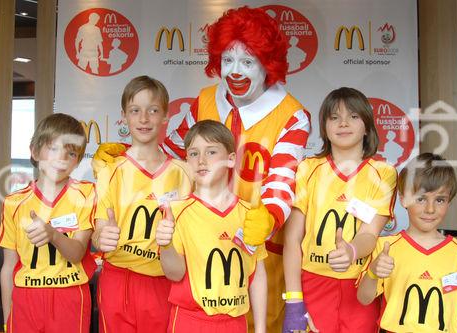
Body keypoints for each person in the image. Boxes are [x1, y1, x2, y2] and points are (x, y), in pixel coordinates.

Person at [94, 7, 310, 330]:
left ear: (268, 63)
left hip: (256, 253)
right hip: (196, 248)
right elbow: (172, 153)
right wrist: (126, 154)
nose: (235, 71)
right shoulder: (207, 100)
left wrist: (267, 217)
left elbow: (282, 180)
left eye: (247, 62)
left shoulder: (291, 115)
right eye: (227, 60)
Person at [283, 87, 397, 333]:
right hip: (312, 283)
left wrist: (352, 250)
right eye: (334, 117)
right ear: (324, 127)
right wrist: (293, 299)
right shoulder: (307, 169)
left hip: (360, 285)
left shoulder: (383, 173)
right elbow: (292, 239)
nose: (343, 123)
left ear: (367, 126)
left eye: (353, 116)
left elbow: (370, 233)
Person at [92, 76, 192, 332]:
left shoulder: (183, 172)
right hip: (117, 278)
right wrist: (101, 238)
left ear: (165, 116)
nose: (144, 119)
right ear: (124, 116)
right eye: (135, 111)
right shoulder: (110, 169)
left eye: (153, 110)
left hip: (163, 281)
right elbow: (98, 233)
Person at [156, 120, 267, 333]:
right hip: (190, 321)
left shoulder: (249, 214)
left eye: (212, 152)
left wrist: (261, 329)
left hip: (235, 323)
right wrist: (166, 244)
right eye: (194, 153)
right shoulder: (176, 212)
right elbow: (174, 274)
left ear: (231, 159)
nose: (202, 161)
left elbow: (257, 275)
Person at [357, 153, 457, 333]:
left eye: (440, 200)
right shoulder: (386, 247)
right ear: (403, 199)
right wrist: (373, 272)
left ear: (450, 201)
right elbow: (364, 298)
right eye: (421, 199)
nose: (430, 209)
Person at [0, 113, 97, 332]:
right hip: (26, 297)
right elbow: (8, 267)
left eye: (71, 153)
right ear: (34, 151)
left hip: (69, 295)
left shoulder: (86, 194)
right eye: (53, 149)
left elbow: (77, 252)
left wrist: (53, 235)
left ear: (78, 160)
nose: (61, 158)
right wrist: (7, 318)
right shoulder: (14, 202)